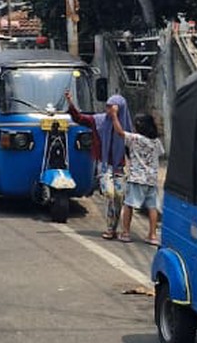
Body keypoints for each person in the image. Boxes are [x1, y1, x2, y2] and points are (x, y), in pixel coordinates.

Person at [66, 88, 133, 239]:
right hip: (104, 165)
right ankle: (110, 228)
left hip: (119, 166)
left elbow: (130, 147)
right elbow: (79, 118)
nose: (108, 110)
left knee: (120, 197)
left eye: (112, 107)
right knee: (109, 193)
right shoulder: (99, 120)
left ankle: (115, 227)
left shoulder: (126, 126)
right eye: (108, 106)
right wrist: (70, 102)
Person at [109, 105, 163, 244]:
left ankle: (126, 233)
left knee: (129, 205)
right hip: (151, 179)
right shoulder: (156, 142)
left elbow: (119, 132)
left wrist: (114, 115)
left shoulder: (135, 139)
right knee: (152, 207)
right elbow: (160, 154)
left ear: (139, 126)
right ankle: (152, 235)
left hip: (137, 178)